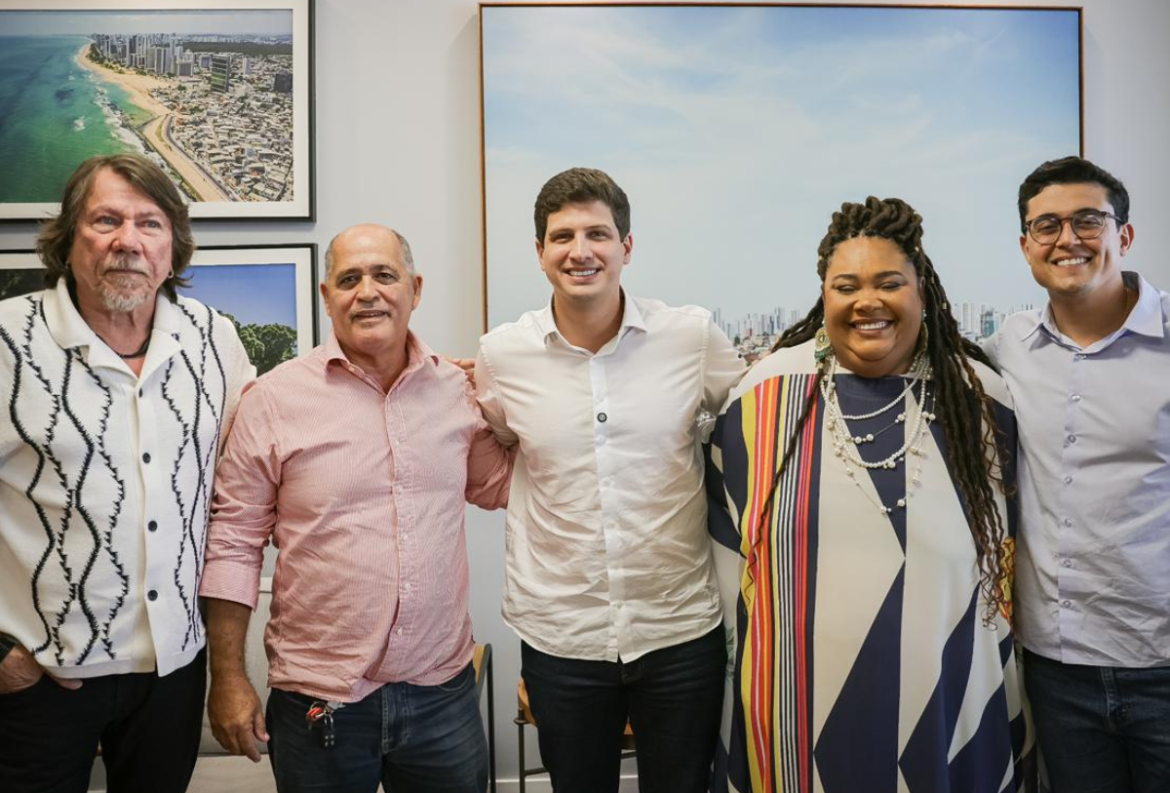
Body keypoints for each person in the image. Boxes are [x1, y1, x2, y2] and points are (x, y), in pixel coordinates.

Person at [708, 197, 1033, 793]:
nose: (868, 301)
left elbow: (1009, 561)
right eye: (846, 285)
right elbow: (729, 560)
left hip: (951, 707)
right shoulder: (762, 396)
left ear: (923, 292)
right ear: (824, 296)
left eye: (890, 283)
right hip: (793, 715)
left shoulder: (981, 397)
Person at [200, 224, 512, 793]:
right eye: (350, 279)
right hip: (320, 702)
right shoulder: (273, 401)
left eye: (384, 275)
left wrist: (510, 400)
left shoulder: (456, 390)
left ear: (414, 289)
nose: (367, 291)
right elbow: (232, 542)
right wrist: (228, 677)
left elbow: (499, 487)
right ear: (328, 296)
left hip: (441, 694)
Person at [475, 167, 746, 793]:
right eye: (562, 236)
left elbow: (756, 417)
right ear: (540, 253)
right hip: (561, 636)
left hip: (678, 630)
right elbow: (503, 443)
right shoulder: (499, 355)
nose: (580, 250)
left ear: (626, 246)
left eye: (597, 233)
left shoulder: (691, 337)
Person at [0, 153, 254, 793]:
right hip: (39, 676)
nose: (127, 241)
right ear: (69, 238)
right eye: (105, 220)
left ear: (173, 245)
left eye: (149, 223)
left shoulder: (213, 338)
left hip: (172, 672)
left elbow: (272, 446)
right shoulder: (7, 339)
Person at [983, 156, 1170, 792]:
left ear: (1125, 235)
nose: (1068, 239)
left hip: (1161, 660)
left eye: (1088, 220)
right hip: (1056, 668)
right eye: (1048, 226)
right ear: (1026, 245)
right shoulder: (1007, 347)